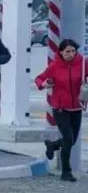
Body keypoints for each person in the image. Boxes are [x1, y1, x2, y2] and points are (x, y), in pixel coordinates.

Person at [34, 38, 85, 182]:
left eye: (73, 51)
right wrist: (44, 84)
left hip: (77, 107)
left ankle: (52, 145)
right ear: (61, 52)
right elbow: (39, 79)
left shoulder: (82, 64)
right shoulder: (54, 66)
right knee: (68, 139)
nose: (71, 54)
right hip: (60, 107)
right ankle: (66, 172)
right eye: (67, 51)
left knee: (73, 140)